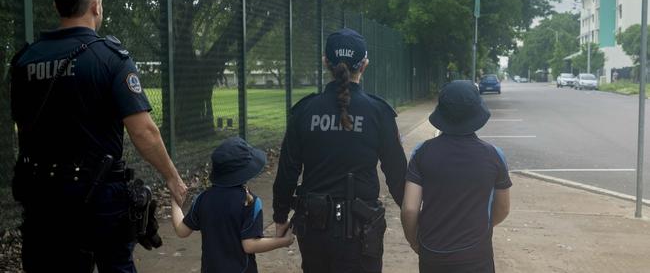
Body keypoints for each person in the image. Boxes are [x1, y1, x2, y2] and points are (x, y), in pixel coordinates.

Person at [10, 0, 187, 272]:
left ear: (58, 7)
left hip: (40, 196)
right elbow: (143, 132)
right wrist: (172, 177)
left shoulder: (25, 60)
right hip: (97, 196)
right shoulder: (110, 58)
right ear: (96, 6)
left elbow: (20, 123)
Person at [272, 28, 407, 273]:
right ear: (364, 65)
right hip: (362, 231)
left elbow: (287, 170)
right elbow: (397, 173)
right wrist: (411, 219)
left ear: (326, 62)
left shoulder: (304, 111)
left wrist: (280, 216)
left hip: (314, 229)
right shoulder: (379, 113)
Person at [401, 80, 512, 273]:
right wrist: (480, 228)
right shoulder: (494, 156)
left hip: (433, 253)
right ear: (477, 114)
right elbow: (502, 208)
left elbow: (410, 209)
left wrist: (414, 242)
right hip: (476, 254)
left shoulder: (422, 152)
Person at [171, 137, 294, 273]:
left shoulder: (202, 199)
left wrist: (175, 201)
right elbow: (249, 245)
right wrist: (283, 241)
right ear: (246, 171)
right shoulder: (251, 202)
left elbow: (181, 231)